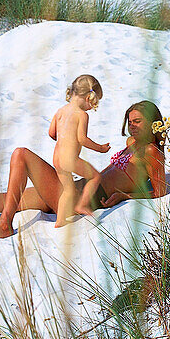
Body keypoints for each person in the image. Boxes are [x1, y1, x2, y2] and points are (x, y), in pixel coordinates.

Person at [0, 100, 167, 237]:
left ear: (153, 123)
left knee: (21, 155)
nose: (132, 127)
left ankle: (5, 225)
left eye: (139, 122)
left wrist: (125, 196)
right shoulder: (132, 143)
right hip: (71, 188)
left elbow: (160, 190)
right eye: (130, 121)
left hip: (75, 199)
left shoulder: (152, 152)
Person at [51, 74, 109, 228]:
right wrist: (100, 148)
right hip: (69, 159)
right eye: (94, 104)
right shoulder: (82, 115)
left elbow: (51, 133)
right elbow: (82, 139)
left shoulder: (60, 111)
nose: (92, 108)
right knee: (95, 177)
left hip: (56, 158)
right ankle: (82, 205)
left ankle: (60, 221)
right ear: (89, 98)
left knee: (68, 190)